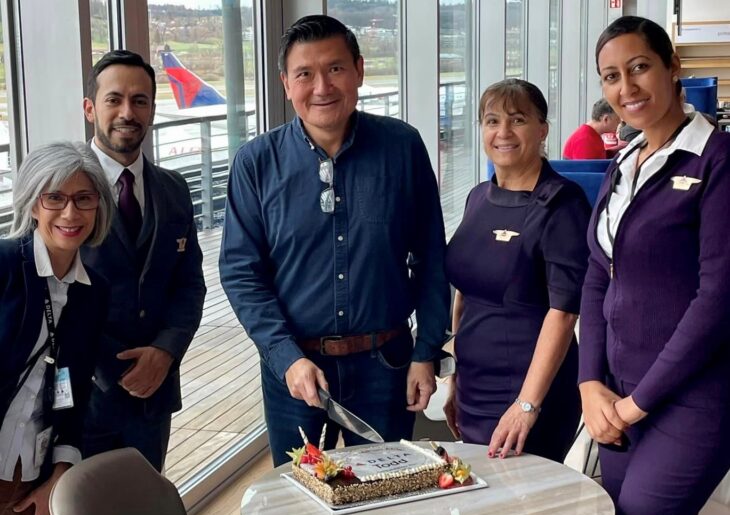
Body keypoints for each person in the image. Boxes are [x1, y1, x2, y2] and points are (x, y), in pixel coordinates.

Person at [219, 15, 450, 466]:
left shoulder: (402, 147)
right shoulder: (256, 163)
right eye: (305, 74)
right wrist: (284, 357)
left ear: (359, 71)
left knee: (385, 494)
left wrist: (426, 354)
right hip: (296, 370)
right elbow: (241, 273)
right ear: (286, 84)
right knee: (299, 501)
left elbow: (431, 257)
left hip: (386, 364)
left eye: (336, 69)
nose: (321, 86)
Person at [579, 16, 730, 515]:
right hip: (618, 396)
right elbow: (597, 274)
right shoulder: (624, 161)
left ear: (673, 67)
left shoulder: (717, 162)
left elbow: (718, 299)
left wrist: (635, 404)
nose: (627, 88)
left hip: (692, 398)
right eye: (611, 76)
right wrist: (589, 383)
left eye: (640, 67)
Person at [443, 79, 590, 463]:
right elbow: (466, 291)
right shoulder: (478, 197)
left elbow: (563, 313)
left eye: (517, 119)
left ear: (542, 129)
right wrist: (457, 377)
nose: (502, 132)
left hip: (530, 390)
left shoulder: (561, 205)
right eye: (491, 121)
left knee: (524, 512)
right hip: (475, 385)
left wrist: (527, 406)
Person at [80, 50, 206, 471]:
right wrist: (110, 370)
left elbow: (189, 285)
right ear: (90, 108)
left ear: (152, 109)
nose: (127, 112)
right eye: (114, 99)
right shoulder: (62, 189)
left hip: (154, 397)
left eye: (140, 101)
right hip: (83, 400)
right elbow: (49, 291)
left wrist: (165, 352)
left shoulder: (173, 188)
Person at [0, 142, 114, 515]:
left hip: (30, 464)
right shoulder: (5, 265)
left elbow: (74, 387)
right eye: (55, 198)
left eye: (84, 198)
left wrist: (60, 474)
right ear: (33, 205)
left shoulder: (93, 292)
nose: (70, 213)